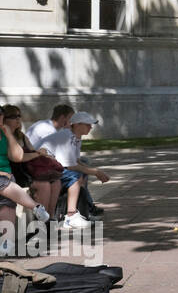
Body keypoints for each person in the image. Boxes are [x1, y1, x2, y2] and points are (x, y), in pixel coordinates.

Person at [36, 111, 108, 230]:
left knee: (81, 173)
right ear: (77, 125)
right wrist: (96, 172)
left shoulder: (75, 137)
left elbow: (75, 160)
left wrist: (93, 171)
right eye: (87, 124)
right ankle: (71, 216)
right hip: (42, 168)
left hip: (49, 167)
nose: (90, 127)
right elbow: (70, 166)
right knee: (75, 176)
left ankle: (84, 211)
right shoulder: (67, 137)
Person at [0, 106, 53, 251]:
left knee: (8, 201)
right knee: (5, 183)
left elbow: (18, 156)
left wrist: (9, 135)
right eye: (14, 116)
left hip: (10, 177)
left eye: (1, 117)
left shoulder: (7, 135)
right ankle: (36, 207)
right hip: (7, 177)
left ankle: (7, 243)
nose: (18, 119)